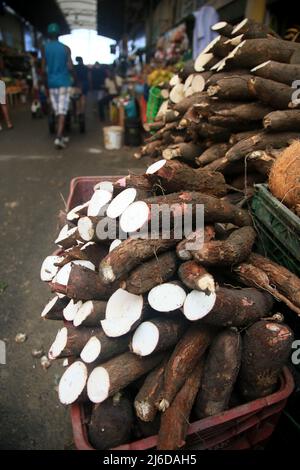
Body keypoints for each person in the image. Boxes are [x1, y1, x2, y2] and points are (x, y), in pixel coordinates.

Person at [42, 23, 73, 149]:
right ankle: (59, 137)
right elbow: (70, 67)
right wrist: (74, 77)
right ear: (59, 34)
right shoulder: (66, 48)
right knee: (62, 111)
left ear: (49, 34)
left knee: (57, 110)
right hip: (63, 83)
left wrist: (44, 83)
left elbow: (43, 68)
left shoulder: (44, 48)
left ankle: (62, 134)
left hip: (51, 83)